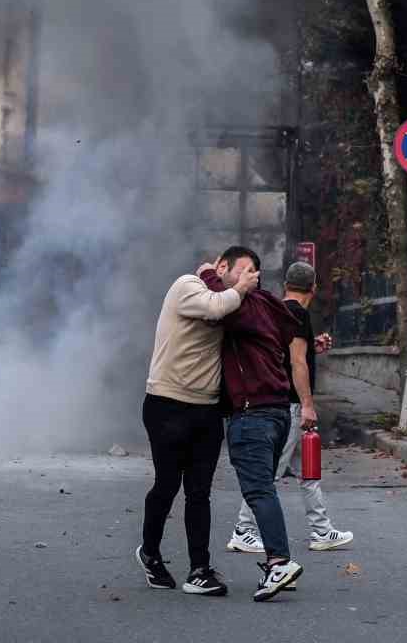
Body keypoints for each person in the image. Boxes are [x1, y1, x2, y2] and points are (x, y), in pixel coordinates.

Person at [137, 249, 260, 597]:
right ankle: (150, 552)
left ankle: (199, 569)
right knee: (167, 485)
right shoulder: (187, 285)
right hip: (167, 404)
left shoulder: (234, 303)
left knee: (199, 492)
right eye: (244, 271)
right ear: (221, 267)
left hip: (206, 411)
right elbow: (213, 306)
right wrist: (239, 288)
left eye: (255, 273)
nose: (250, 278)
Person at [200, 255, 307, 601]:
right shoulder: (266, 305)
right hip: (276, 411)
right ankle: (280, 563)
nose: (241, 278)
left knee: (259, 489)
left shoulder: (244, 307)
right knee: (265, 488)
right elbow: (289, 324)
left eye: (246, 272)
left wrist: (205, 273)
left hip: (254, 413)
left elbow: (222, 308)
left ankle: (279, 561)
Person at [227, 262, 354, 555]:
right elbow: (297, 363)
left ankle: (322, 530)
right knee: (267, 473)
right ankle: (243, 529)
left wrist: (312, 346)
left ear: (286, 285)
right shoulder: (298, 313)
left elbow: (284, 353)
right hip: (291, 406)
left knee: (308, 471)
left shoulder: (276, 309)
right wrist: (308, 405)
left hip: (281, 402)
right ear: (313, 288)